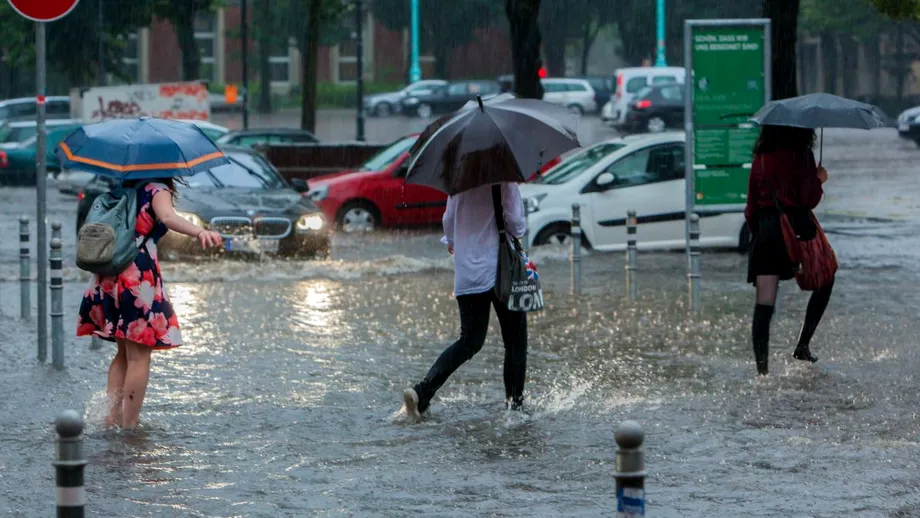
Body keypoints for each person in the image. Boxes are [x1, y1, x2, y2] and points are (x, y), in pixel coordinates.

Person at [76, 180, 223, 429]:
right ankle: (130, 425)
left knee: (123, 354)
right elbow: (167, 217)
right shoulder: (156, 188)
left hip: (111, 274)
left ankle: (111, 419)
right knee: (139, 356)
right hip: (137, 276)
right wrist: (199, 231)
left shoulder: (122, 188)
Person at [403, 182, 528, 421]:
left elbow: (449, 225)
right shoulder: (503, 179)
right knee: (515, 341)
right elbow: (516, 225)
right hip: (501, 270)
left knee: (469, 340)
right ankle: (515, 408)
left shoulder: (458, 181)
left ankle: (423, 391)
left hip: (468, 274)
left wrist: (457, 240)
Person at [744, 125, 833, 375]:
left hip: (766, 231)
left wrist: (760, 232)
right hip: (796, 228)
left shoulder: (760, 157)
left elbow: (750, 208)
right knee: (826, 278)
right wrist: (819, 178)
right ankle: (802, 345)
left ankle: (762, 372)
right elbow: (809, 198)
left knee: (764, 302)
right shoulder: (802, 154)